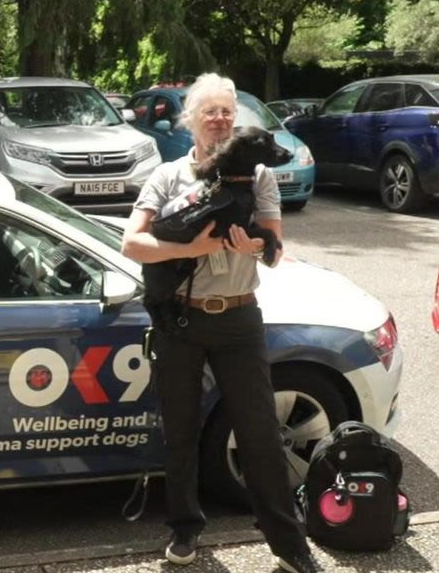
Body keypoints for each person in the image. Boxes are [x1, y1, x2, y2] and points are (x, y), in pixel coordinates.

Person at [120, 73, 322, 573]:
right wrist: (194, 247)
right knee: (181, 432)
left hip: (238, 317)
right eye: (210, 111)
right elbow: (133, 244)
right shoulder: (167, 176)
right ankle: (185, 532)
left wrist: (253, 245)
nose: (220, 120)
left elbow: (273, 250)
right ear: (192, 119)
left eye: (227, 112)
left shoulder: (259, 176)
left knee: (260, 433)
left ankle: (288, 543)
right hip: (181, 321)